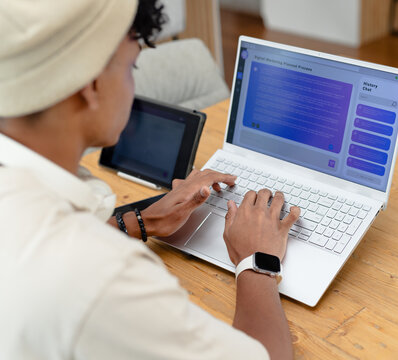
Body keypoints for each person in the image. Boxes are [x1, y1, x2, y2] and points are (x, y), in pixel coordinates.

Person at [0, 1, 300, 359]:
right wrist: (257, 260)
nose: (133, 82)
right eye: (131, 66)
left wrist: (141, 220)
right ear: (90, 84)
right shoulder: (101, 274)